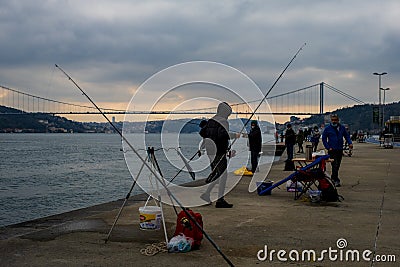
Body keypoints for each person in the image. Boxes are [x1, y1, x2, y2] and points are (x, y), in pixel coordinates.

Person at [199, 102, 238, 208]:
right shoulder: (223, 121)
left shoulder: (211, 120)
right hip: (219, 152)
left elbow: (202, 133)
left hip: (210, 151)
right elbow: (223, 135)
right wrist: (234, 135)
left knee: (218, 174)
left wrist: (211, 137)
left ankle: (207, 194)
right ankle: (219, 200)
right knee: (223, 175)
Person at [322, 114, 353, 187]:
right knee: (334, 165)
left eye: (335, 120)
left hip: (339, 149)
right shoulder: (327, 128)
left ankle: (334, 178)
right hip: (332, 150)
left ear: (338, 120)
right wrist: (328, 147)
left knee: (337, 165)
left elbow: (347, 136)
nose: (334, 121)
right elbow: (324, 139)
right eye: (332, 120)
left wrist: (350, 143)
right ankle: (335, 179)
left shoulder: (342, 128)